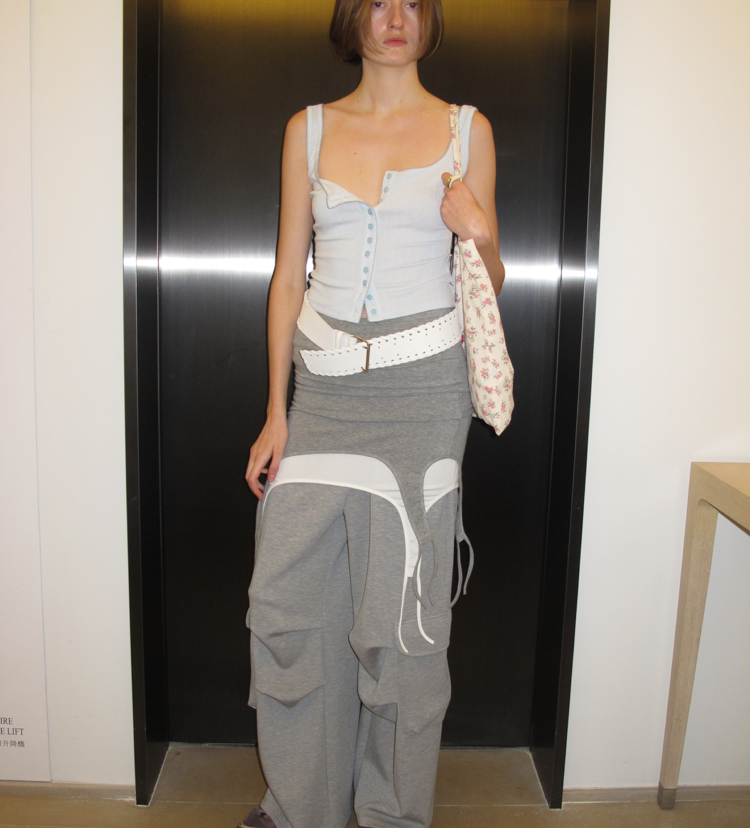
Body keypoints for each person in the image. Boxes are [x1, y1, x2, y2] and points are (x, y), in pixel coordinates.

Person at [240, 2, 504, 827]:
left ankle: (391, 814)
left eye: (413, 2)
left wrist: (477, 229)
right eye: (379, 1)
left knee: (404, 617)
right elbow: (288, 276)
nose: (397, 17)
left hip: (424, 393)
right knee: (290, 605)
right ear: (351, 18)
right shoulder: (308, 129)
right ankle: (302, 807)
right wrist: (276, 411)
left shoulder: (467, 129)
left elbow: (490, 274)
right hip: (322, 392)